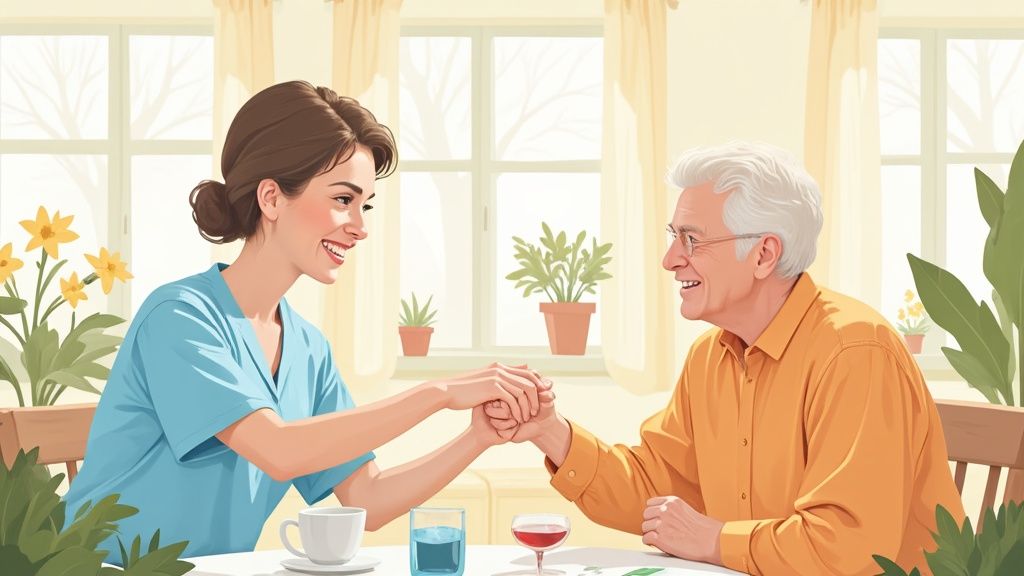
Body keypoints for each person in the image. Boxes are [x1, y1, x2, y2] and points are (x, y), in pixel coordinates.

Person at [64, 80, 549, 564]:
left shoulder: (307, 349)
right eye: (343, 200)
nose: (360, 226)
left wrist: (477, 437)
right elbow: (278, 449)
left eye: (366, 205)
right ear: (271, 198)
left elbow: (369, 499)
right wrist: (438, 394)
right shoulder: (180, 318)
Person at [485, 141, 965, 575]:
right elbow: (656, 490)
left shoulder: (855, 352)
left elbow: (848, 546)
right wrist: (551, 431)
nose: (671, 258)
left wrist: (715, 541)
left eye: (692, 240)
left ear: (763, 255)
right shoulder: (710, 356)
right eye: (674, 236)